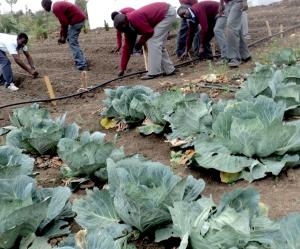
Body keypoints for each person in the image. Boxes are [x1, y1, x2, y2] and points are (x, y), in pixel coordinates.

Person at [114, 2, 176, 80]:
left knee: (153, 41)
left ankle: (154, 73)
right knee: (158, 44)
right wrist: (122, 68)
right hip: (165, 13)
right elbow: (127, 49)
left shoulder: (134, 18)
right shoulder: (128, 31)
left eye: (123, 30)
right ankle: (169, 70)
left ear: (125, 25)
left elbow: (149, 32)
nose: (123, 32)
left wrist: (140, 43)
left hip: (166, 13)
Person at [41, 0, 88, 71]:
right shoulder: (56, 6)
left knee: (72, 42)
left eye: (43, 7)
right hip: (77, 19)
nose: (44, 9)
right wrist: (62, 36)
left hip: (77, 20)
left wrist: (63, 37)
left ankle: (82, 65)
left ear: (46, 5)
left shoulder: (55, 8)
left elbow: (65, 23)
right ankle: (81, 61)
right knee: (71, 40)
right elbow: (63, 23)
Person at [217, 0, 251, 67]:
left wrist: (245, 1)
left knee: (231, 26)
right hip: (227, 4)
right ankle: (245, 55)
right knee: (236, 28)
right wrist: (221, 4)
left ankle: (234, 58)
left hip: (237, 1)